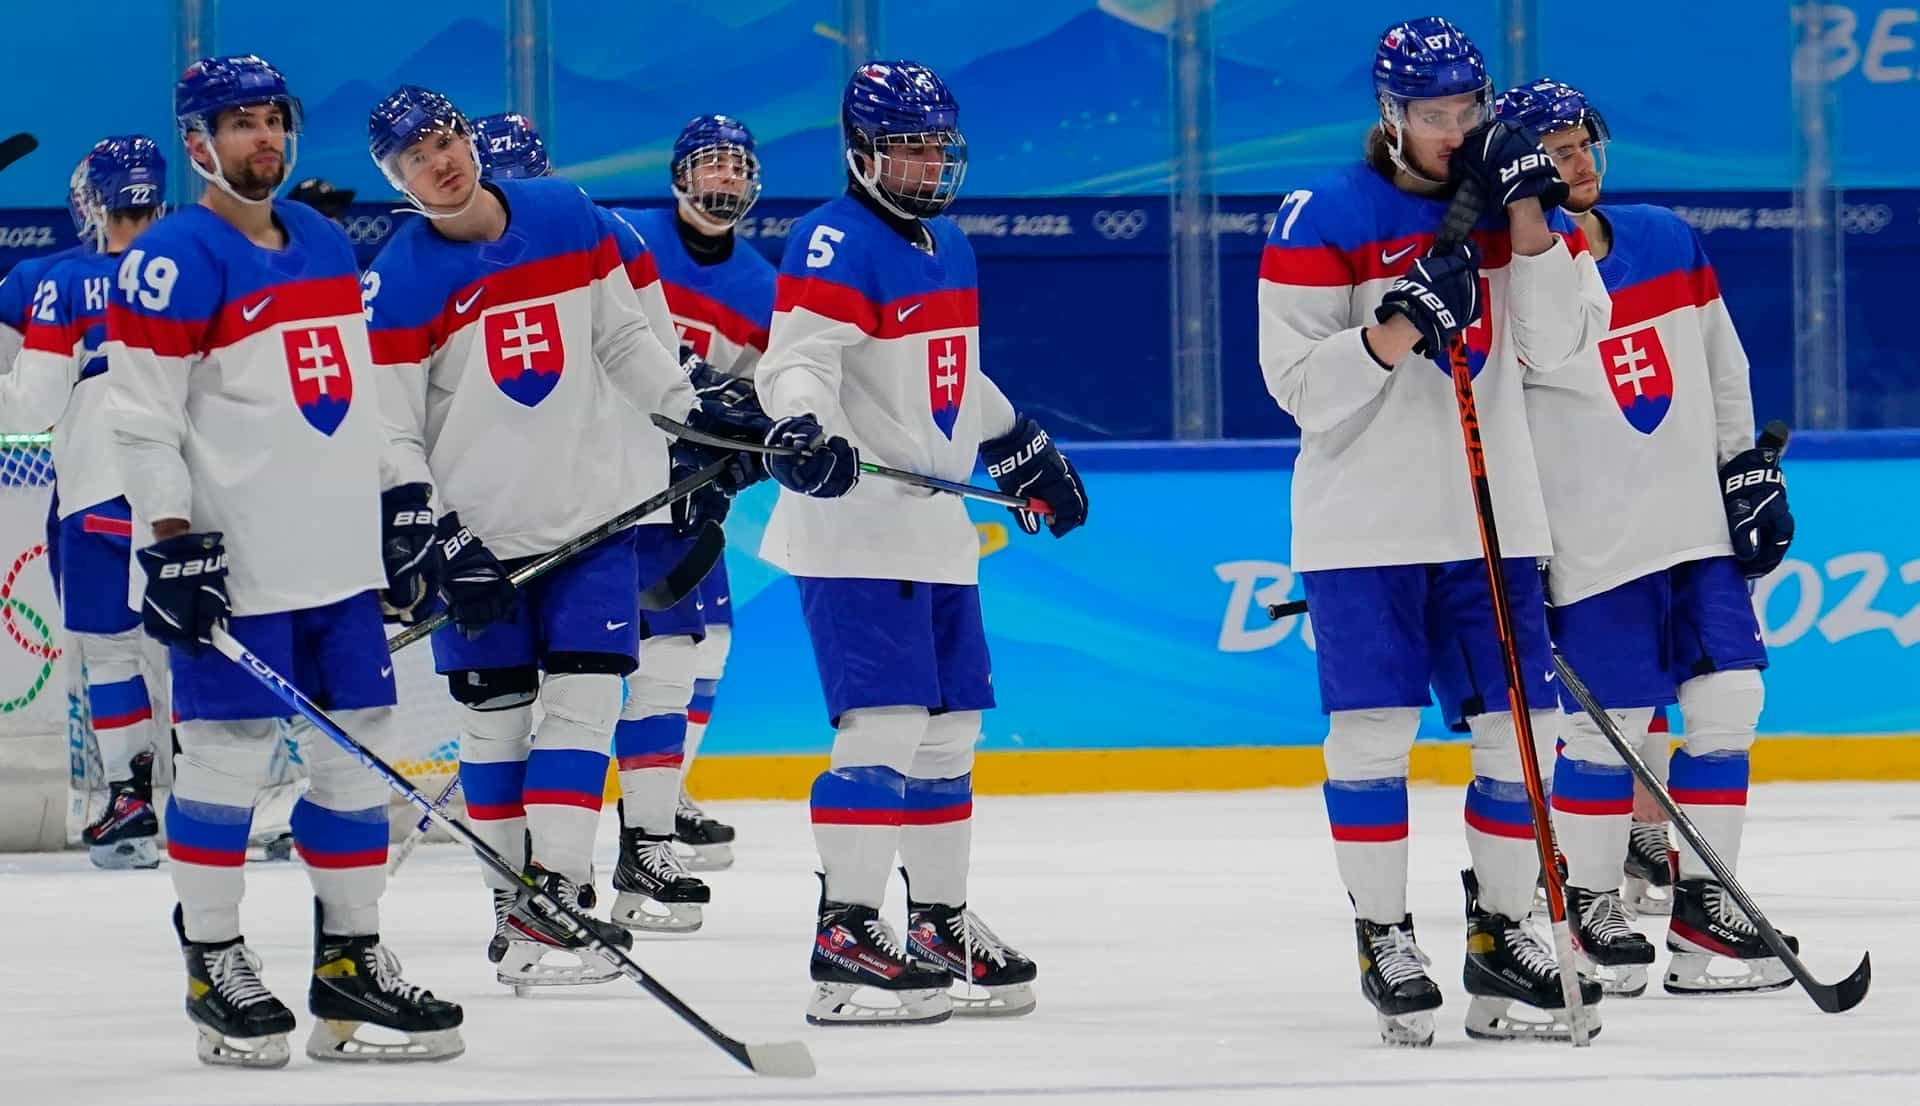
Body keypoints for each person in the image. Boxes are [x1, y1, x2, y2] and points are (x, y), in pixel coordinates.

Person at [1257, 17, 1611, 1045]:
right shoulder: (1321, 212)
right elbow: (1298, 390)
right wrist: (1396, 326)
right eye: (1430, 114)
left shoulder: (1512, 207)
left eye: (1466, 111)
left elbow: (1556, 348)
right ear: (1391, 115)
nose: (1452, 131)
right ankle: (1383, 932)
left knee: (1522, 737)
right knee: (1370, 736)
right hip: (1362, 528)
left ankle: (1503, 931)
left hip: (1494, 520)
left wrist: (1534, 219)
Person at [105, 54, 462, 1067]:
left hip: (339, 567)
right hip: (237, 569)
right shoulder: (171, 258)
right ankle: (213, 956)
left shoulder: (318, 237)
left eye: (273, 118)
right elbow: (141, 421)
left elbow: (358, 395)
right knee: (224, 763)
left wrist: (398, 501)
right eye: (239, 122)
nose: (264, 137)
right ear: (197, 144)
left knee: (362, 760)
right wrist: (171, 542)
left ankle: (351, 959)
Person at [363, 87, 762, 985]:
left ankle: (558, 900)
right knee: (497, 729)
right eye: (412, 156)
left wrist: (691, 417)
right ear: (395, 180)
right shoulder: (398, 279)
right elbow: (386, 427)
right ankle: (516, 912)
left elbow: (626, 341)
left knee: (585, 706)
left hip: (591, 522)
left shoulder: (565, 214)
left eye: (443, 139)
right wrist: (433, 530)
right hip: (482, 540)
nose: (438, 160)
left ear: (468, 139)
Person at [757, 60, 1087, 1026]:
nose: (927, 162)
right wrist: (803, 429)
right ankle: (845, 937)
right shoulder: (832, 238)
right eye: (908, 145)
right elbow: (799, 360)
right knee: (886, 726)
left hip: (933, 526)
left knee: (950, 732)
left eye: (937, 145)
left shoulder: (949, 245)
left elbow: (952, 374)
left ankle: (937, 921)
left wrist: (1018, 440)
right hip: (856, 523)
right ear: (863, 151)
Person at [1497, 77, 1796, 996]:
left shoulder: (1666, 236)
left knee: (1730, 701)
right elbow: (1491, 417)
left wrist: (1745, 470)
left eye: (1583, 142)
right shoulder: (1505, 277)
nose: (1575, 161)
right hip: (1593, 544)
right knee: (1607, 732)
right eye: (1552, 149)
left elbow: (1723, 365)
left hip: (1695, 528)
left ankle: (1709, 914)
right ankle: (1589, 912)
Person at [469, 108, 721, 931]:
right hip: (513, 510)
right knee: (518, 710)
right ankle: (528, 901)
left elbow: (652, 351)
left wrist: (698, 437)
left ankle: (640, 845)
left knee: (658, 667)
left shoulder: (604, 237)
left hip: (626, 490)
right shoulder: (441, 263)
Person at [614, 113, 778, 870]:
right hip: (607, 469)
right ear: (680, 175)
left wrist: (749, 441)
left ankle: (662, 792)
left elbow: (756, 393)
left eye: (740, 169)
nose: (728, 180)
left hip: (684, 485)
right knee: (611, 654)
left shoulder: (761, 284)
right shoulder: (626, 238)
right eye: (714, 165)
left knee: (707, 642)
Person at [0, 137, 168, 869]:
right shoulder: (199, 272)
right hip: (195, 500)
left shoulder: (52, 279)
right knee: (192, 652)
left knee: (110, 654)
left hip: (99, 498)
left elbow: (28, 406)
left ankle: (131, 798)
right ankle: (218, 796)